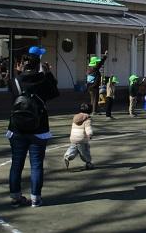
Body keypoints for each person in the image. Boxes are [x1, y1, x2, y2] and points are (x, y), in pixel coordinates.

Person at [7, 46, 59, 208]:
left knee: (17, 163)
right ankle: (36, 198)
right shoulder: (43, 80)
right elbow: (55, 93)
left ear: (22, 65)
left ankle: (16, 196)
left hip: (16, 128)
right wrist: (48, 73)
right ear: (39, 64)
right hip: (39, 128)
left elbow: (16, 92)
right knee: (36, 164)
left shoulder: (15, 81)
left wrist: (19, 74)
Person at [63, 103, 94, 170]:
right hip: (82, 139)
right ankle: (88, 163)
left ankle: (67, 156)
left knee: (73, 149)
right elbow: (88, 128)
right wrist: (90, 134)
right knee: (84, 152)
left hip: (73, 138)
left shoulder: (76, 117)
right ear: (90, 111)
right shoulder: (87, 118)